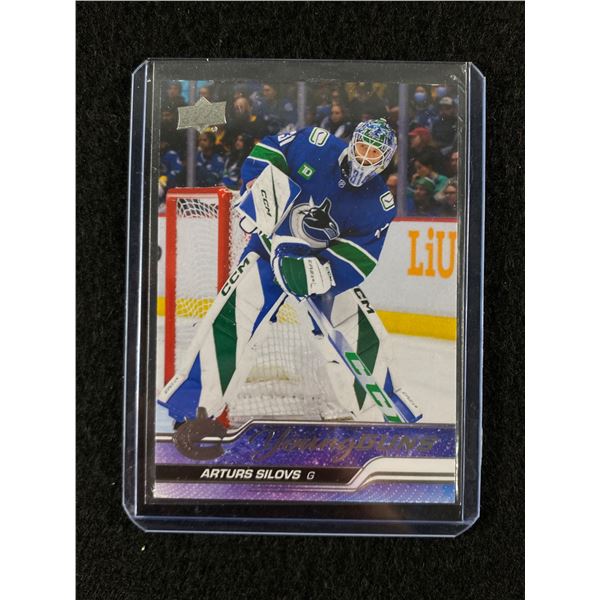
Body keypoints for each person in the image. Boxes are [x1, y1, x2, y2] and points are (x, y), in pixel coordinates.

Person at [158, 119, 420, 427]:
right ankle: (193, 412)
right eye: (362, 147)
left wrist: (316, 274)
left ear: (386, 159)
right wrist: (257, 188)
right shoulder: (315, 144)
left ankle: (383, 415)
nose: (365, 157)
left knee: (352, 324)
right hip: (267, 251)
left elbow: (360, 256)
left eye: (374, 153)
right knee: (233, 319)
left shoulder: (379, 204)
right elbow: (270, 150)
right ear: (353, 143)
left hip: (318, 268)